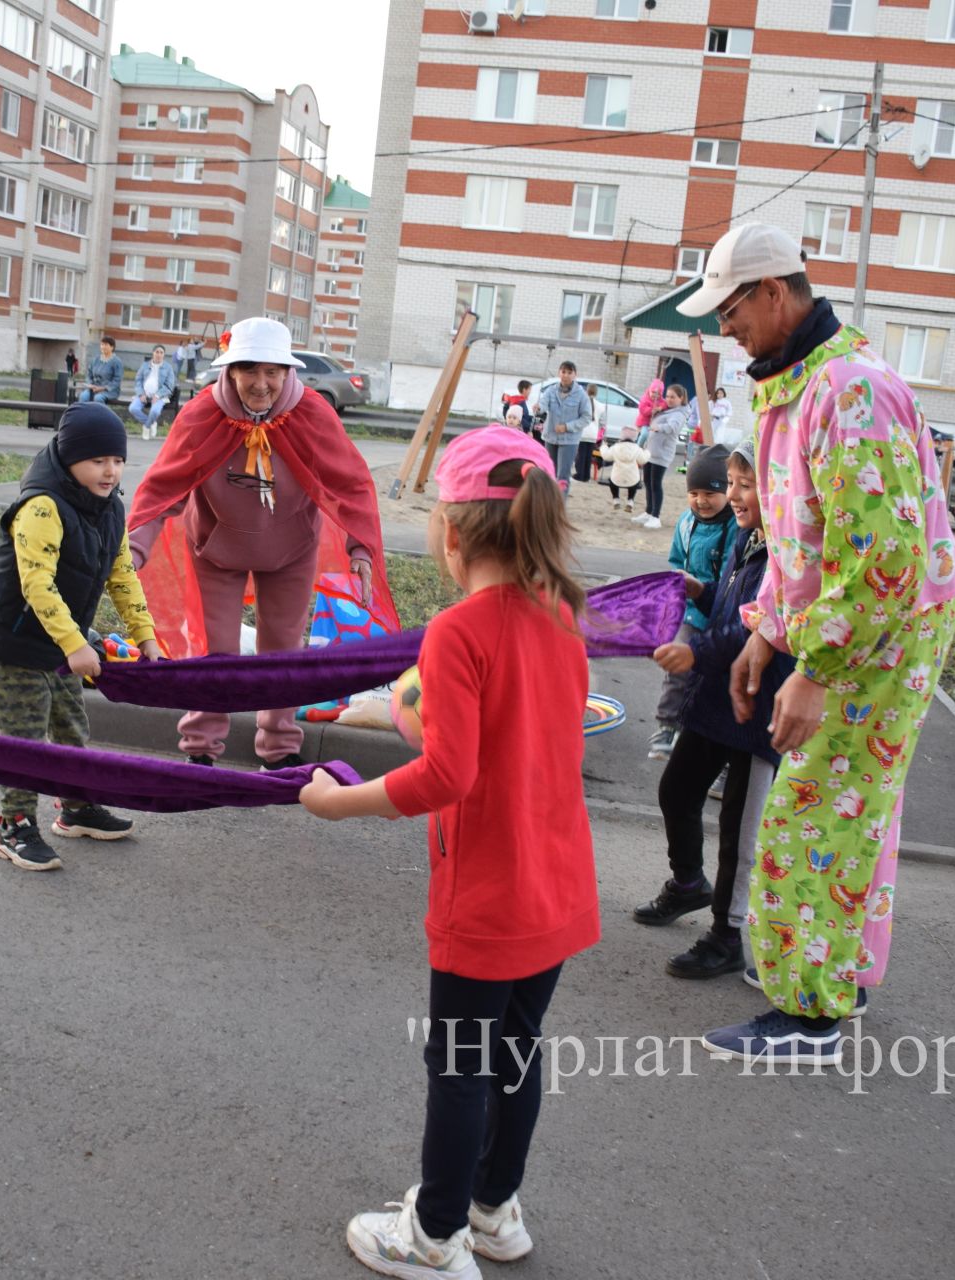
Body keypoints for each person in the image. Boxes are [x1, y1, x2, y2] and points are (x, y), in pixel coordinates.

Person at [298, 426, 599, 1280]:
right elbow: (512, 739)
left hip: (489, 895)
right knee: (514, 1053)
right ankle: (493, 1211)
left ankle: (433, 1238)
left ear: (454, 534)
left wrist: (338, 803)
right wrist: (410, 713)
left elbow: (447, 775)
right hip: (556, 883)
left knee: (460, 1068)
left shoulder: (459, 632)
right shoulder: (560, 617)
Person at [673, 222, 955, 1064]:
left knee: (816, 812)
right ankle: (837, 978)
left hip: (878, 630)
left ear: (774, 292)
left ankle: (808, 1015)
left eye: (730, 309)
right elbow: (804, 536)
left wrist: (817, 672)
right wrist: (768, 631)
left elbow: (880, 560)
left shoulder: (848, 390)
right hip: (858, 620)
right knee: (853, 807)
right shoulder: (797, 384)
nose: (724, 328)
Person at [127, 317, 395, 768]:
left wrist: (361, 549)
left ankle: (278, 746)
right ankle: (201, 747)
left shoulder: (311, 413)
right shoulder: (201, 415)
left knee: (283, 649)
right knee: (216, 650)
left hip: (291, 549)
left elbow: (351, 484)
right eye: (250, 370)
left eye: (273, 371)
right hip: (216, 547)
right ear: (230, 370)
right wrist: (134, 550)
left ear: (288, 372)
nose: (261, 383)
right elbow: (161, 489)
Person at [0, 402, 164, 871]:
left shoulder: (110, 508)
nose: (111, 470)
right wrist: (75, 644)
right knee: (24, 740)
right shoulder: (41, 506)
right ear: (69, 456)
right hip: (16, 643)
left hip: (62, 643)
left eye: (117, 460)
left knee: (70, 728)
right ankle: (13, 827)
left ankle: (75, 807)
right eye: (98, 460)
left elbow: (122, 576)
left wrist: (147, 639)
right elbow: (37, 584)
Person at [633, 438, 795, 981]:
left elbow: (757, 628)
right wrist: (699, 589)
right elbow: (730, 608)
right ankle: (688, 885)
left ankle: (727, 935)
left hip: (753, 717)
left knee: (738, 833)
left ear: (782, 493)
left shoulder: (788, 559)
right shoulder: (746, 541)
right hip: (712, 705)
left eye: (747, 486)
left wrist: (695, 650)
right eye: (733, 484)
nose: (734, 495)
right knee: (676, 791)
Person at [645, 443, 735, 761]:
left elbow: (730, 578)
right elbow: (676, 561)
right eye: (694, 493)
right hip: (690, 614)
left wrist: (704, 592)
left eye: (710, 493)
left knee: (715, 681)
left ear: (728, 490)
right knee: (677, 671)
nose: (701, 500)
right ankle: (667, 724)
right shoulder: (686, 522)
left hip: (722, 616)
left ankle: (697, 733)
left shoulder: (735, 526)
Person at [632, 383, 687, 528]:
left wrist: (658, 427)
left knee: (656, 484)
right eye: (667, 396)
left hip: (662, 454)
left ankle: (656, 516)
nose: (669, 399)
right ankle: (648, 512)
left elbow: (672, 428)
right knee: (648, 483)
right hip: (651, 451)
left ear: (681, 398)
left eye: (673, 397)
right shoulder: (666, 409)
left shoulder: (679, 414)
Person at [536, 361, 593, 495]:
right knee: (549, 473)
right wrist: (539, 408)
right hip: (550, 438)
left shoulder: (581, 395)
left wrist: (567, 427)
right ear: (559, 373)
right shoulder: (551, 390)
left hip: (569, 441)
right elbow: (543, 404)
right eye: (563, 372)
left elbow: (586, 418)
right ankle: (549, 504)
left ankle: (560, 506)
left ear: (575, 375)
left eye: (569, 372)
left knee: (563, 476)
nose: (566, 375)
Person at [128, 344, 177, 442]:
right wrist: (141, 393)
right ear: (153, 353)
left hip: (159, 396)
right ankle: (151, 422)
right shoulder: (145, 365)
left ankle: (146, 427)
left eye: (161, 353)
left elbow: (169, 385)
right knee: (133, 408)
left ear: (164, 355)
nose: (159, 354)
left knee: (155, 411)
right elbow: (138, 380)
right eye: (157, 352)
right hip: (144, 395)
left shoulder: (168, 367)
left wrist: (158, 395)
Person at [596, 430, 648, 513]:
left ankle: (616, 500)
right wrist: (647, 451)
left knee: (612, 482)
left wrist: (604, 446)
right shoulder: (637, 449)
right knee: (634, 483)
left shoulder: (616, 447)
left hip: (617, 478)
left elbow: (606, 457)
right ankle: (630, 501)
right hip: (632, 479)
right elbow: (643, 460)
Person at [79, 337, 122, 405]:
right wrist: (90, 384)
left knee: (98, 398)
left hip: (109, 391)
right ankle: (84, 415)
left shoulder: (116, 362)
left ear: (112, 347)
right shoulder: (96, 359)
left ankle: (101, 415)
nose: (103, 347)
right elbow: (89, 374)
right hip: (94, 388)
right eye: (102, 344)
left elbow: (117, 380)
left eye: (106, 345)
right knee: (83, 396)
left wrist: (103, 388)